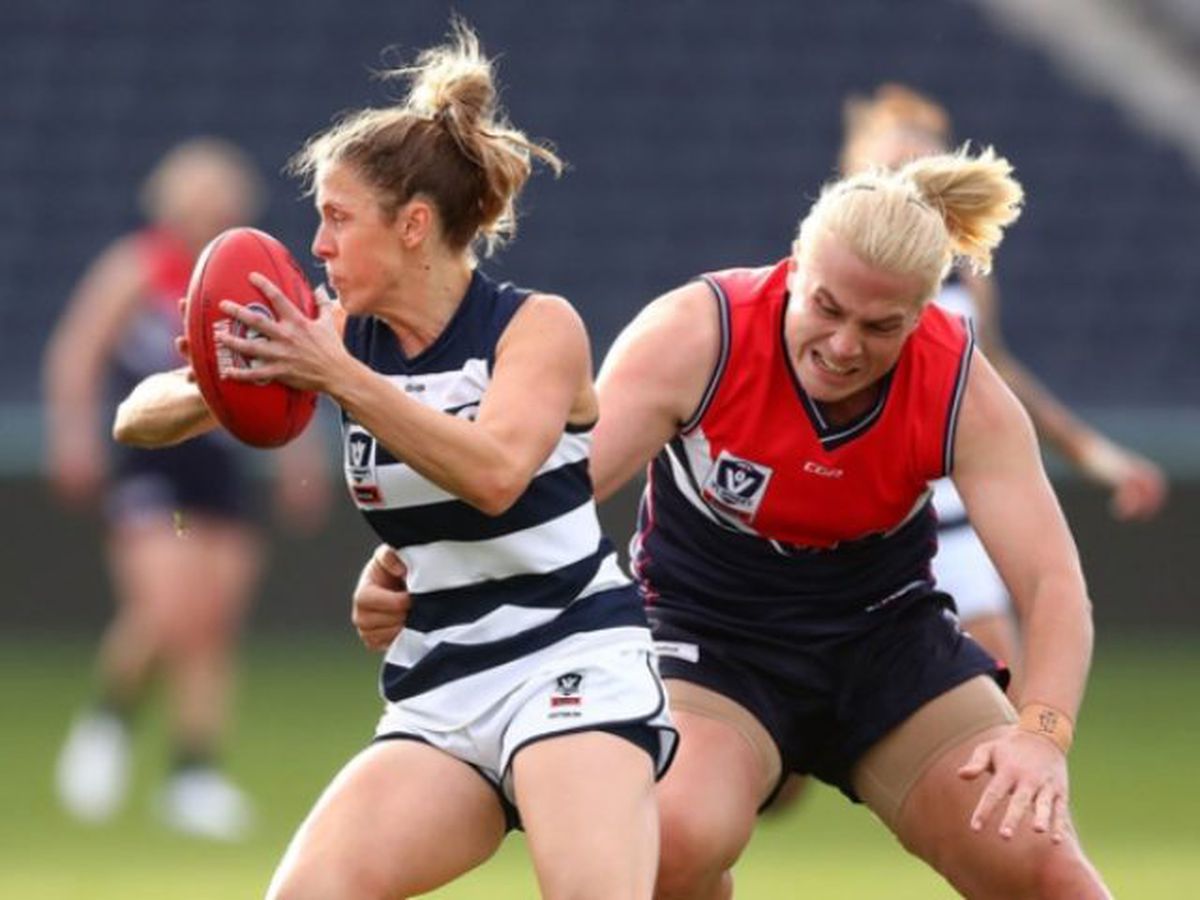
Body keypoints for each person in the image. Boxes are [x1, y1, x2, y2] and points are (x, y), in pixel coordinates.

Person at [353, 145, 1112, 896]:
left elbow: (1052, 585)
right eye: (827, 307)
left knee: (1040, 859)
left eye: (881, 327)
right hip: (708, 638)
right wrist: (416, 568)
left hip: (887, 641)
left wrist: (1040, 737)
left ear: (923, 314)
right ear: (793, 270)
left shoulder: (958, 386)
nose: (844, 346)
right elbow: (548, 495)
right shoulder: (699, 334)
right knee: (668, 838)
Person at [112, 23, 676, 900]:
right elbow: (133, 419)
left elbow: (495, 474)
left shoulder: (535, 328)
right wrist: (224, 382)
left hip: (570, 660)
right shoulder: (331, 333)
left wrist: (333, 372)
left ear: (414, 226)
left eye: (338, 218)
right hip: (443, 683)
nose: (321, 244)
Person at [43, 137, 330, 841]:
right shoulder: (137, 267)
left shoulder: (251, 283)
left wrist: (309, 458)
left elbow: (299, 367)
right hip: (154, 461)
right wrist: (74, 437)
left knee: (215, 617)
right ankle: (107, 723)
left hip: (223, 462)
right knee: (166, 607)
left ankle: (193, 771)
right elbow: (76, 352)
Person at [839, 84, 1167, 690]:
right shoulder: (832, 279)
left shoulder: (966, 280)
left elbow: (996, 374)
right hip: (854, 525)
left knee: (1009, 702)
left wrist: (1100, 458)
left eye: (922, 171)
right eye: (889, 170)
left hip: (951, 522)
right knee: (789, 756)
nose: (905, 187)